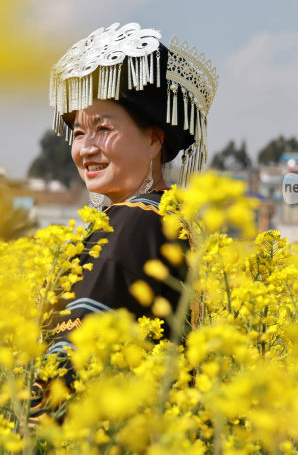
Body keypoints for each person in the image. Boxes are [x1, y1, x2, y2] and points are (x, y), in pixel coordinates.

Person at [31, 22, 218, 420]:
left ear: (154, 140)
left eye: (104, 128)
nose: (86, 148)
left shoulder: (136, 221)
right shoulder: (171, 218)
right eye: (79, 132)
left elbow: (67, 362)